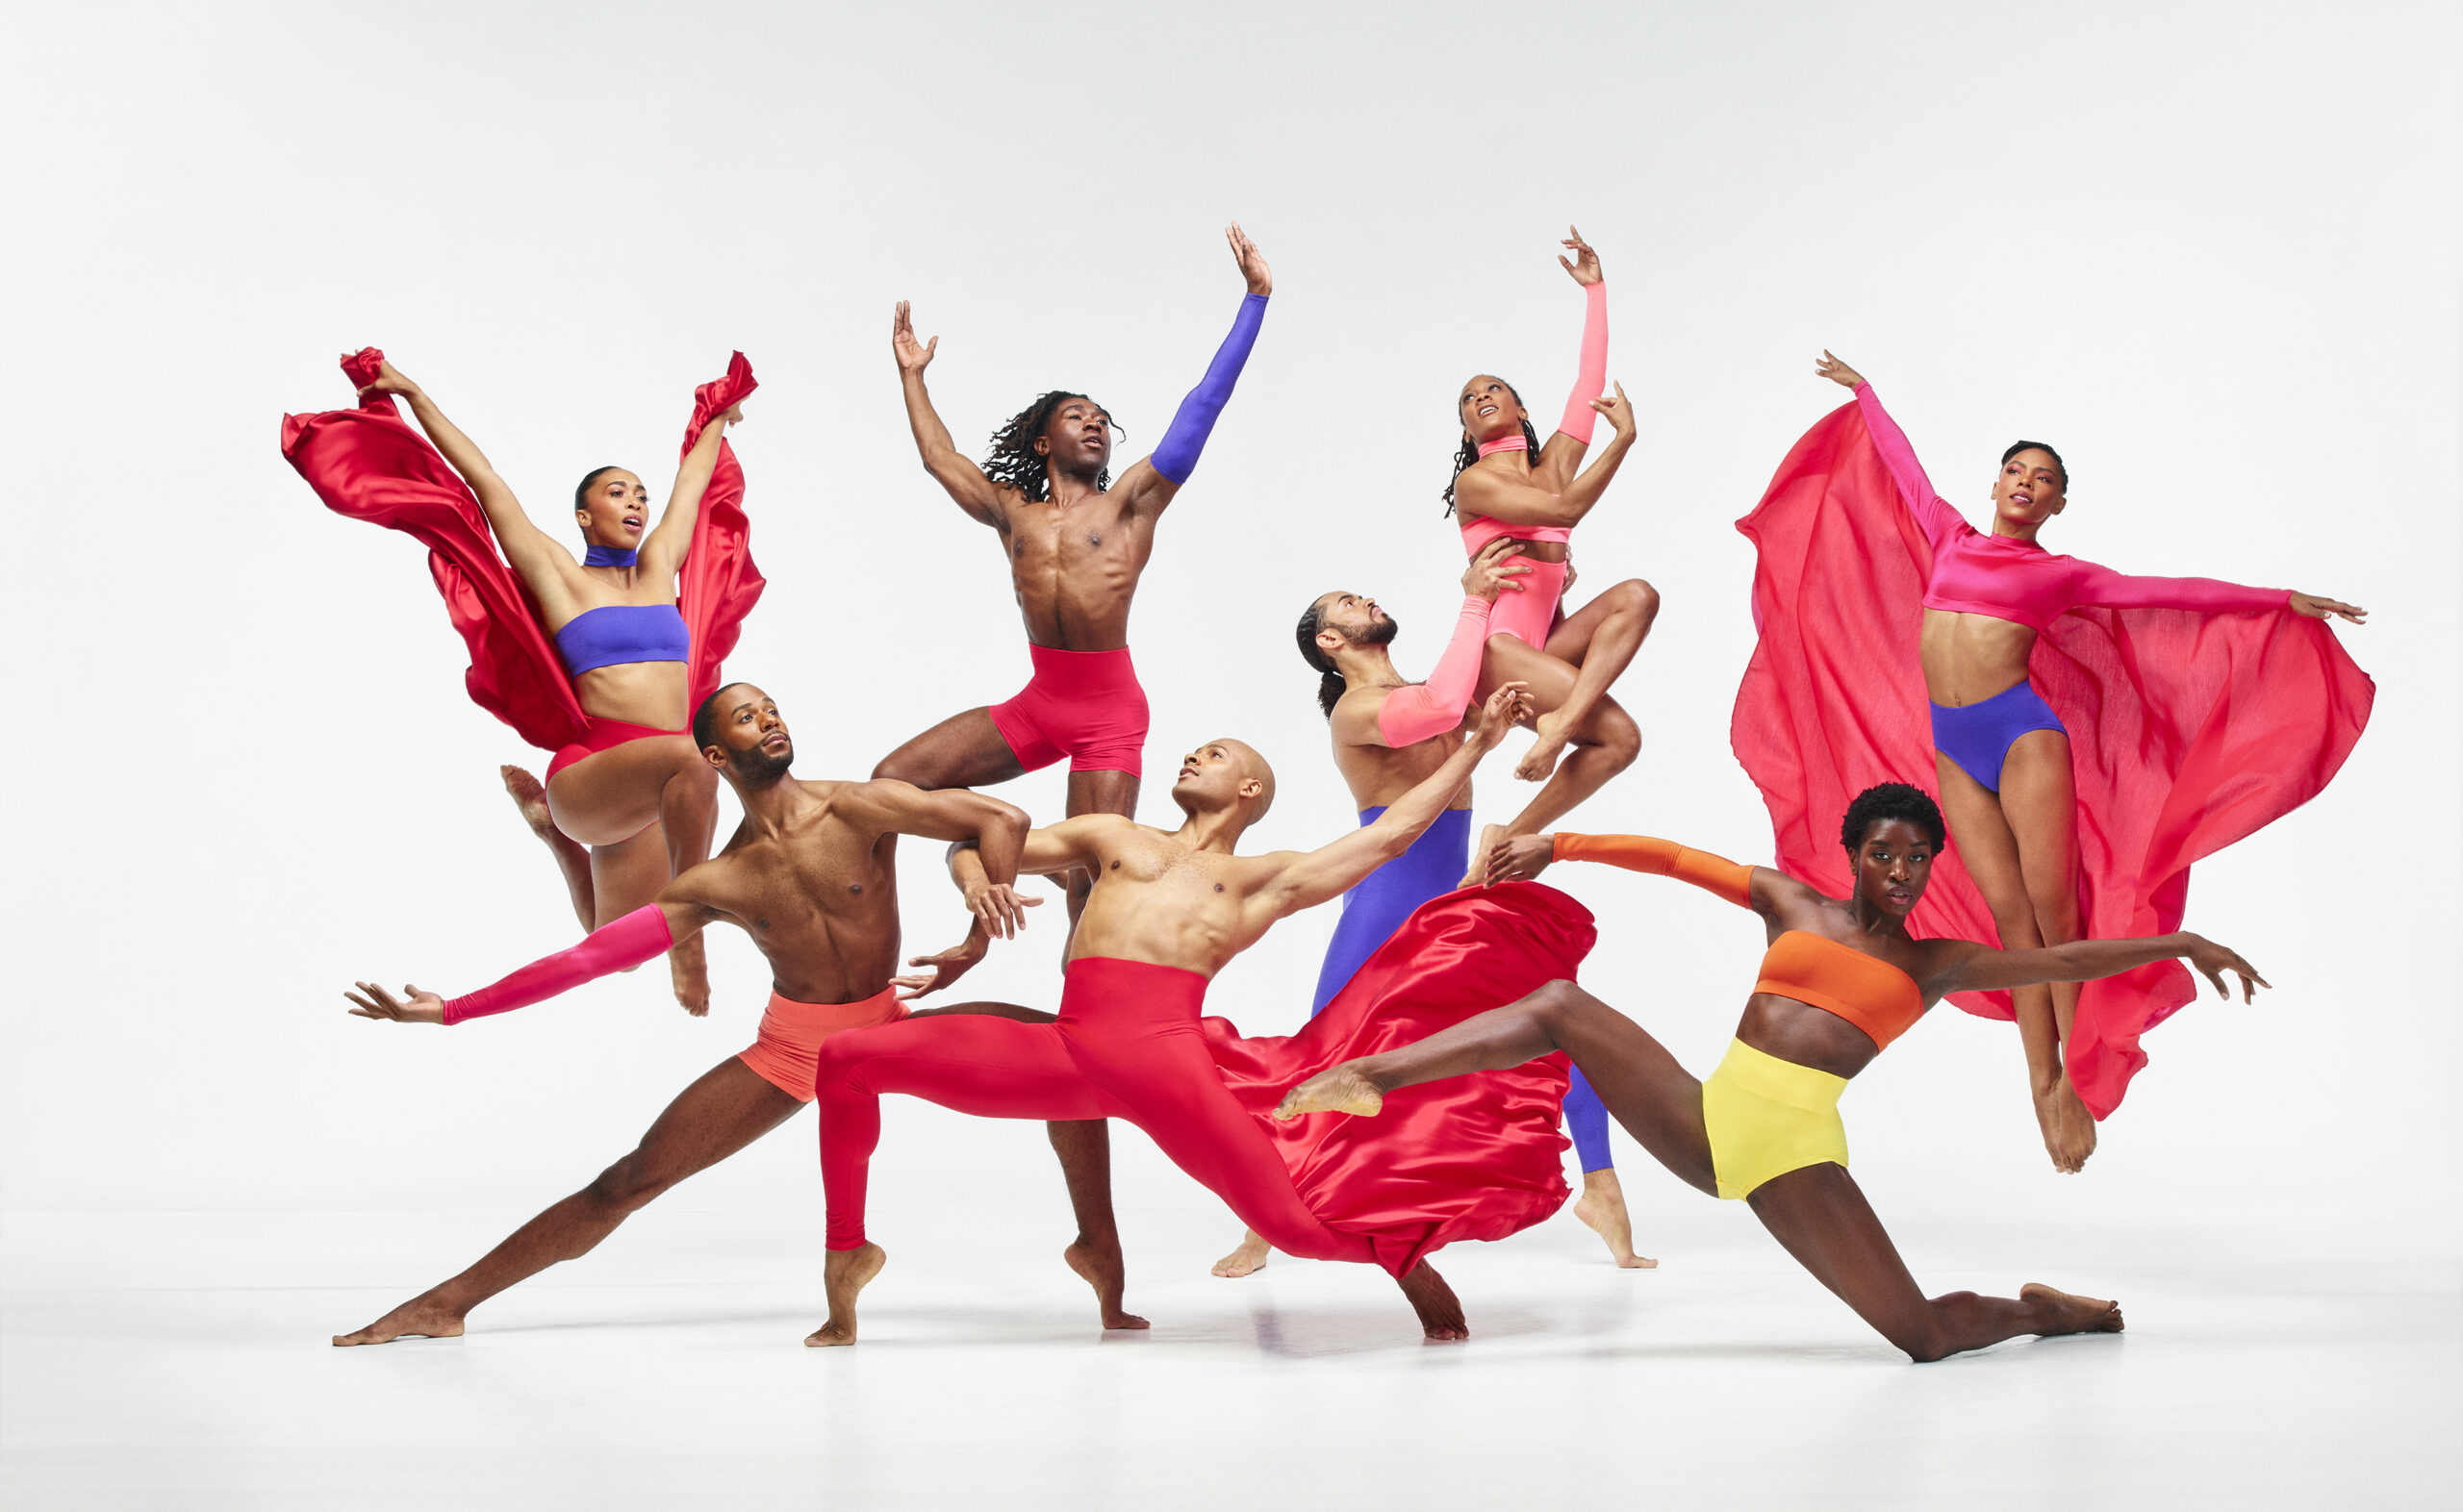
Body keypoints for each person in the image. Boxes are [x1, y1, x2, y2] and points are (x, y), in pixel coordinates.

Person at [1276, 784, 2271, 1363]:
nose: (1903, 870)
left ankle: (2048, 1310)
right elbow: (1676, 858)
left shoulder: (1935, 965)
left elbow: (2055, 962)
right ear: (1851, 855)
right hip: (1709, 1121)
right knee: (1556, 1009)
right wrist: (1559, 843)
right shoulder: (1792, 904)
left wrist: (2175, 940)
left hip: (1793, 1151)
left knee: (1920, 1337)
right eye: (1885, 852)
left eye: (1918, 858)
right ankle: (1374, 1073)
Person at [331, 683, 1143, 1345]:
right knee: (629, 1179)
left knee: (1067, 1054)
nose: (772, 721)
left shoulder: (858, 809)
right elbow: (589, 958)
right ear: (717, 754)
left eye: (776, 709)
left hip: (889, 1028)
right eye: (750, 717)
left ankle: (1097, 1246)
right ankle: (448, 1302)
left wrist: (976, 932)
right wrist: (453, 1010)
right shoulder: (716, 884)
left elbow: (999, 818)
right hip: (792, 1053)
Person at [809, 685, 1605, 1347]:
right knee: (848, 1059)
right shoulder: (1111, 835)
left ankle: (1405, 1259)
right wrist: (974, 889)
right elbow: (976, 837)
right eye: (1195, 750)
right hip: (1069, 1050)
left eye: (1215, 754)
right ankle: (848, 1253)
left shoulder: (1264, 879)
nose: (1193, 756)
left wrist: (1478, 746)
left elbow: (1394, 834)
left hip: (1169, 1066)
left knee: (1294, 1232)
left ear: (1249, 790)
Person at [1730, 354, 2371, 1169]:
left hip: (2023, 738)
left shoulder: (2060, 574)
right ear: (1996, 485)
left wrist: (2282, 601)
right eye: (2015, 471)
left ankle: (2076, 1078)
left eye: (2043, 479)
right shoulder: (1950, 537)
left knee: (2055, 913)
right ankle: (2039, 1086)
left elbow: (2171, 593)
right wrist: (1866, 394)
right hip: (1955, 750)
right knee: (2009, 928)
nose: (2025, 484)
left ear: (2058, 503)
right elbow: (1904, 470)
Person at [1212, 546, 1648, 1279]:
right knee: (1323, 1050)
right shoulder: (1358, 710)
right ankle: (1260, 1225)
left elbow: (1531, 691)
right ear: (1330, 642)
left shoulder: (1433, 688)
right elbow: (1446, 710)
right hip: (1385, 900)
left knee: (1556, 1025)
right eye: (1346, 602)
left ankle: (1601, 1192)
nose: (1365, 598)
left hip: (1456, 892)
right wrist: (1474, 600)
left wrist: (1554, 606)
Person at [283, 349, 764, 1013]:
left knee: (618, 950)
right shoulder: (559, 576)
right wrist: (416, 394)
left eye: (640, 494)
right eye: (616, 492)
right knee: (697, 758)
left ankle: (555, 839)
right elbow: (483, 480)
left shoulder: (659, 568)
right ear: (584, 517)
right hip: (597, 772)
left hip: (652, 792)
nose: (636, 502)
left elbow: (692, 484)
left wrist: (717, 416)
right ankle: (690, 933)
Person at [874, 224, 1274, 941]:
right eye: (1076, 417)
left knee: (1095, 884)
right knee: (890, 783)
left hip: (1108, 713)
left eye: (1102, 421)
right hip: (1039, 702)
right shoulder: (1011, 511)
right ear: (1042, 441)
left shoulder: (1131, 503)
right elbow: (943, 459)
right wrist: (912, 375)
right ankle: (991, 844)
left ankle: (1080, 1005)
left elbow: (1202, 406)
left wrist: (1255, 300)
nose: (1095, 426)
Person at [1440, 227, 1662, 876]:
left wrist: (1595, 290)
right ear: (1465, 428)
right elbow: (1565, 512)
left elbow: (1589, 381)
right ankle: (1559, 729)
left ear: (1520, 407)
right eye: (1467, 399)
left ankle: (1507, 841)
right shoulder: (1476, 483)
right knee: (1600, 730)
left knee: (1635, 617)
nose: (1480, 397)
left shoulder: (1554, 463)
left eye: (1493, 389)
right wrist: (1622, 445)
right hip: (1493, 658)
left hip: (1538, 652)